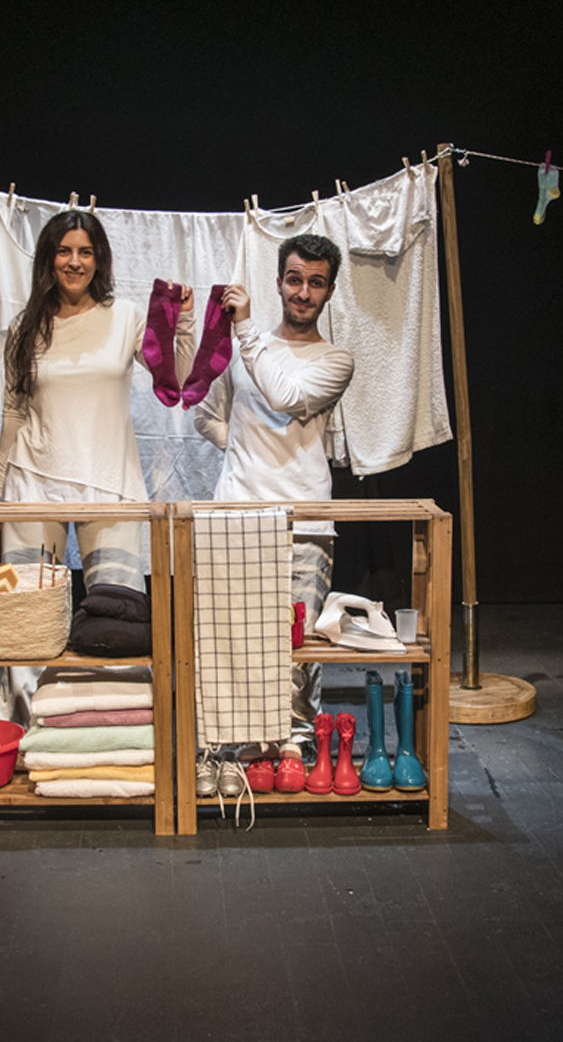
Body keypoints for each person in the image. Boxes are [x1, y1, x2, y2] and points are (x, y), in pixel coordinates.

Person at [0, 209, 194, 723]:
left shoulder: (125, 316)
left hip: (110, 480)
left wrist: (186, 321)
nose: (74, 261)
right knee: (25, 616)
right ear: (48, 258)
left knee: (117, 618)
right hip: (33, 479)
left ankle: (117, 732)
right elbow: (13, 412)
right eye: (64, 251)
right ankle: (25, 730)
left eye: (85, 251)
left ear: (99, 258)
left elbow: (176, 380)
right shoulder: (25, 326)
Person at [194, 233, 354, 763]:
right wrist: (243, 451)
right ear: (279, 282)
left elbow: (286, 399)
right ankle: (231, 741)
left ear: (329, 291)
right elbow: (205, 415)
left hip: (305, 519)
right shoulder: (246, 349)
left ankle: (295, 741)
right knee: (232, 637)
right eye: (294, 279)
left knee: (296, 641)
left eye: (316, 283)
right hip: (236, 513)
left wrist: (244, 329)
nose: (303, 292)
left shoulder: (336, 360)